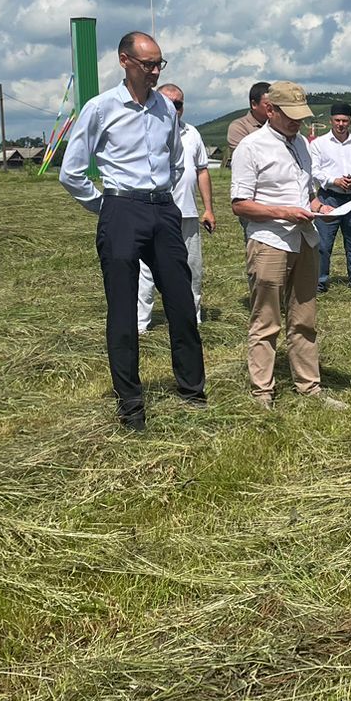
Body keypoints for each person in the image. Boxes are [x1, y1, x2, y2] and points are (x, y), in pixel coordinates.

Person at [61, 32, 207, 430]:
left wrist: (168, 203)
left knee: (180, 300)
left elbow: (177, 161)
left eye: (160, 63)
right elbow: (71, 172)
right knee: (123, 310)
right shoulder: (100, 108)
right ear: (124, 61)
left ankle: (192, 392)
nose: (156, 71)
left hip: (162, 208)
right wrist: (107, 205)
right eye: (148, 64)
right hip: (121, 207)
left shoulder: (165, 108)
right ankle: (130, 403)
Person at [230, 81, 348, 409]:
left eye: (301, 115)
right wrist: (284, 212)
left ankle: (309, 387)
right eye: (290, 115)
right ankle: (262, 391)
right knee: (267, 319)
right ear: (270, 110)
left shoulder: (302, 146)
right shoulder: (250, 147)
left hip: (305, 239)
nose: (297, 121)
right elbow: (240, 204)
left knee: (305, 318)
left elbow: (307, 193)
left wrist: (319, 207)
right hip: (269, 242)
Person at [136, 83, 215, 331]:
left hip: (188, 213)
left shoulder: (192, 133)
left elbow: (202, 170)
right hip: (152, 211)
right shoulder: (143, 129)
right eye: (167, 102)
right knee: (146, 269)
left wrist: (208, 208)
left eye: (178, 104)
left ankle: (191, 317)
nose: (173, 108)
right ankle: (141, 323)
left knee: (191, 267)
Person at [310, 102, 351, 292]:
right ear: (330, 121)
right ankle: (319, 282)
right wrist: (334, 181)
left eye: (344, 120)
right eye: (337, 120)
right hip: (329, 198)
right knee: (323, 244)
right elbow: (314, 170)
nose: (341, 124)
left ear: (350, 121)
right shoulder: (319, 144)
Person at [227, 81, 271, 151]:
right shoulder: (239, 127)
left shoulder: (280, 124)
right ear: (254, 104)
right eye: (267, 104)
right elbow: (244, 155)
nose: (272, 107)